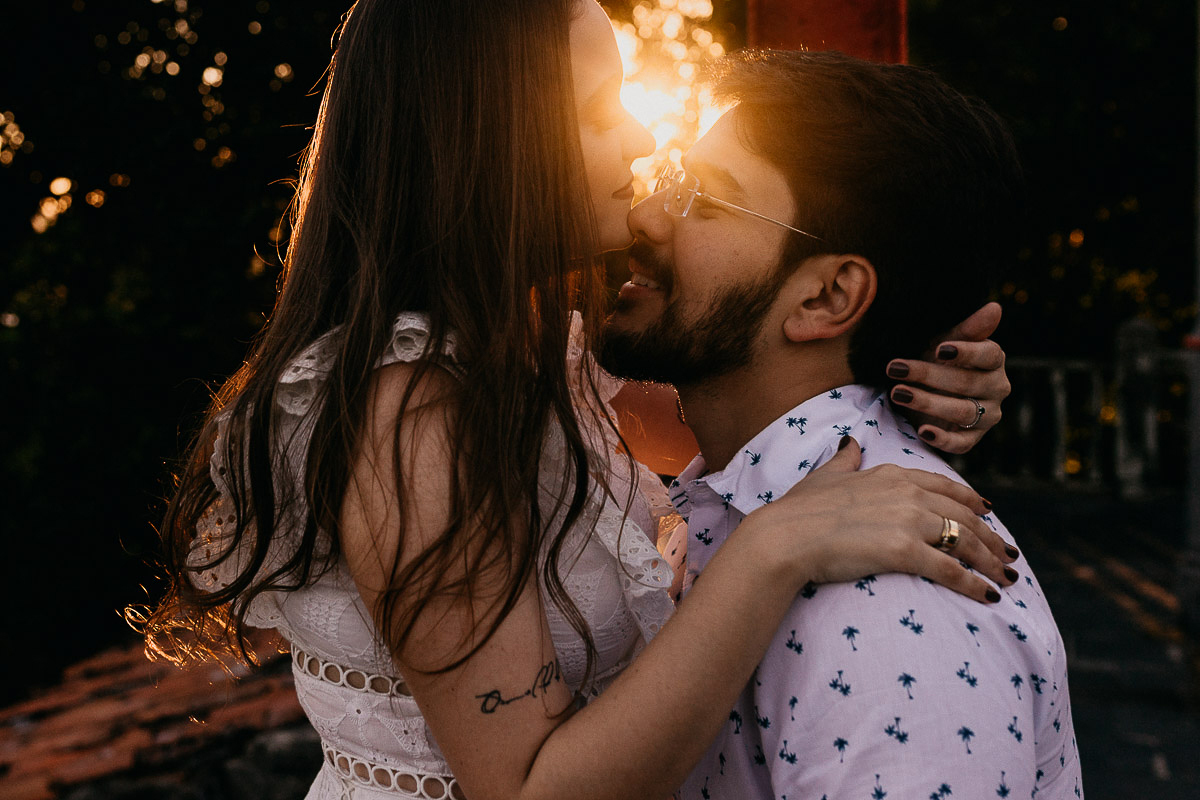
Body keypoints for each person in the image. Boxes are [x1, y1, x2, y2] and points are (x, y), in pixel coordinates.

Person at [134, 3, 1019, 800]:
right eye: (601, 110)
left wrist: (908, 382)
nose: (640, 139)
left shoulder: (537, 347)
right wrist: (772, 550)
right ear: (488, 140)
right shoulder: (409, 416)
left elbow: (749, 420)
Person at [599, 49, 1082, 799]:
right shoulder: (741, 501)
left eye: (706, 199)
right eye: (671, 178)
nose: (647, 212)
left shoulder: (898, 607)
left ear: (827, 298)